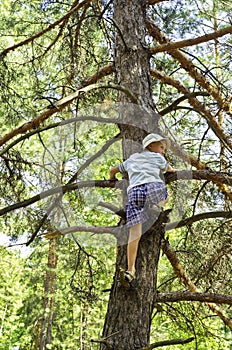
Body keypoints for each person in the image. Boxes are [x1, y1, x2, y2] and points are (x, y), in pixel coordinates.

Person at [109, 133, 176, 284]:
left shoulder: (132, 159)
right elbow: (170, 169)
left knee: (134, 233)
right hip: (154, 188)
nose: (163, 151)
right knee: (166, 196)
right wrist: (169, 168)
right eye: (161, 147)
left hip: (135, 192)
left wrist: (112, 178)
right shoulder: (158, 158)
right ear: (151, 146)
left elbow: (113, 170)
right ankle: (156, 205)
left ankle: (130, 269)